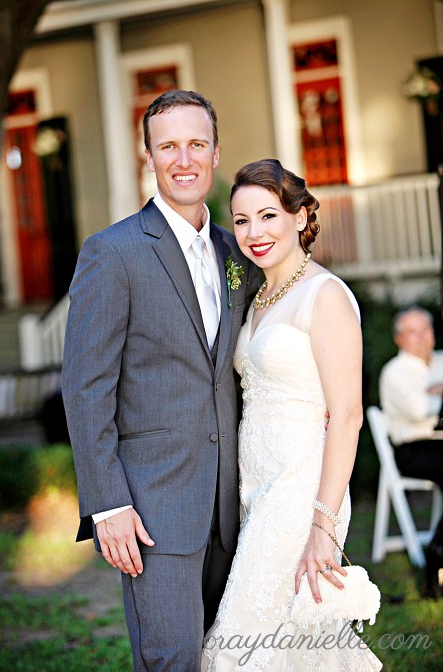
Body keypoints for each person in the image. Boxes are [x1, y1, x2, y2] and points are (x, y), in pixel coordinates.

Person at [62, 89, 260, 671]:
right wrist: (107, 504)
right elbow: (85, 386)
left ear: (216, 152)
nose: (183, 159)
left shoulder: (237, 251)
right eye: (168, 145)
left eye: (196, 144)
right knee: (172, 660)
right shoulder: (112, 252)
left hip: (235, 503)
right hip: (153, 508)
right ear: (147, 155)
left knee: (229, 659)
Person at [202, 158, 382, 670]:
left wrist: (322, 529)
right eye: (240, 221)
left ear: (300, 218)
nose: (253, 233)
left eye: (268, 216)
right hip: (257, 491)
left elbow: (347, 414)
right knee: (289, 646)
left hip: (302, 496)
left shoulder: (325, 296)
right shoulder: (257, 299)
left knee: (242, 640)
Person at [379, 305, 443, 591]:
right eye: (412, 332)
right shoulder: (394, 371)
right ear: (398, 339)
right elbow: (418, 410)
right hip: (414, 450)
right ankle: (437, 556)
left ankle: (438, 551)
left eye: (425, 329)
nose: (420, 336)